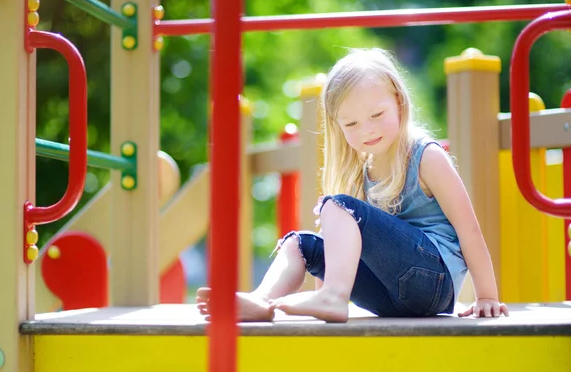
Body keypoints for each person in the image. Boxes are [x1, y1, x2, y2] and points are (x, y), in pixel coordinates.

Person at [196, 47, 509, 322]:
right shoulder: (364, 170)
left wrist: (486, 297)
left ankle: (332, 297)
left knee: (338, 204)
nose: (367, 130)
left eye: (376, 114)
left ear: (399, 103)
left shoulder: (425, 156)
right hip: (390, 297)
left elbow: (469, 230)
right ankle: (263, 301)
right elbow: (340, 248)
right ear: (338, 127)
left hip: (435, 284)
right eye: (352, 124)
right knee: (301, 243)